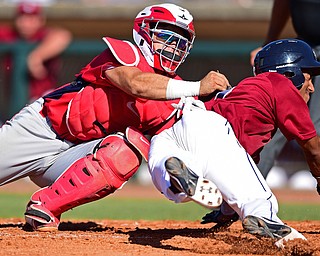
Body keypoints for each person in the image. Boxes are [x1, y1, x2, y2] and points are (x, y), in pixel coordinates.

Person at [0, 3, 229, 231]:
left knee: (126, 152)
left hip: (74, 156)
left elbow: (179, 138)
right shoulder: (125, 53)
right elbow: (136, 84)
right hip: (41, 130)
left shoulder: (177, 93)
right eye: (166, 36)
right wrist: (198, 86)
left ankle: (45, 207)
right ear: (144, 32)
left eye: (181, 41)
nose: (173, 47)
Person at [148, 39, 320, 247]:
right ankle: (284, 234)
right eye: (309, 78)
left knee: (169, 178)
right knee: (259, 202)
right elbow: (314, 149)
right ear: (291, 73)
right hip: (214, 129)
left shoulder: (246, 91)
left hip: (173, 130)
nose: (311, 88)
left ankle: (177, 178)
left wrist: (225, 213)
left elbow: (231, 170)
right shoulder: (281, 84)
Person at [250, 0, 320, 178]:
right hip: (304, 49)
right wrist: (269, 41)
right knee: (274, 118)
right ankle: (245, 192)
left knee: (315, 128)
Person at [0, 2, 72, 104]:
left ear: (41, 20)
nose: (26, 23)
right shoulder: (10, 34)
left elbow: (63, 36)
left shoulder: (43, 35)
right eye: (22, 17)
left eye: (31, 18)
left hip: (44, 101)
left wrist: (36, 56)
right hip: (12, 103)